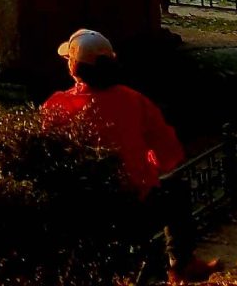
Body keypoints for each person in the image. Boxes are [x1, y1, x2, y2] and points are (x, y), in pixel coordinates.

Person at [40, 30, 182, 196]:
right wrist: (145, 169)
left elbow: (46, 155)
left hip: (81, 197)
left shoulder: (58, 105)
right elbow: (167, 150)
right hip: (135, 193)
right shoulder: (134, 100)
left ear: (73, 67)